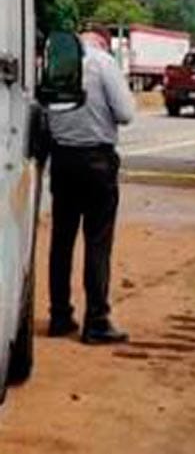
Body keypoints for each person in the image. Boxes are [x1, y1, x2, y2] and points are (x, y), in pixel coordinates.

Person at [47, 25, 135, 344]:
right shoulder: (102, 62)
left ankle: (59, 315)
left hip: (62, 160)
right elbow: (125, 113)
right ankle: (96, 320)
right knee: (97, 241)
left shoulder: (55, 63)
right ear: (103, 42)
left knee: (61, 240)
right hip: (96, 162)